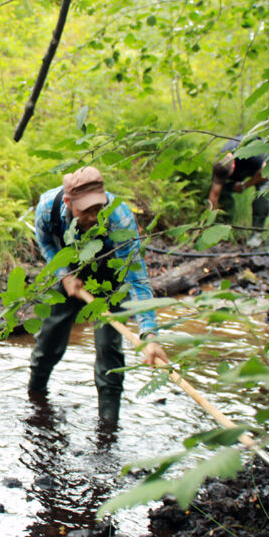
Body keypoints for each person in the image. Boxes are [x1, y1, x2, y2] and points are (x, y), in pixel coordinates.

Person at [28, 166, 168, 424]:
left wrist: (149, 334)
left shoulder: (119, 216)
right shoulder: (47, 207)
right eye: (86, 211)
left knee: (108, 350)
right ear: (68, 203)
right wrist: (64, 275)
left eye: (98, 208)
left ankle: (108, 425)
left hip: (111, 283)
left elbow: (137, 278)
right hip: (71, 273)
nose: (94, 216)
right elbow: (45, 241)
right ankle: (35, 403)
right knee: (48, 339)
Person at [207, 137, 269, 229]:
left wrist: (244, 186)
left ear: (233, 165)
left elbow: (265, 173)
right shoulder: (219, 164)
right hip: (240, 167)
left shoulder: (252, 158)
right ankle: (225, 221)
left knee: (261, 195)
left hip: (262, 166)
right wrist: (207, 222)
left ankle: (258, 231)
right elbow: (214, 194)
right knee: (224, 190)